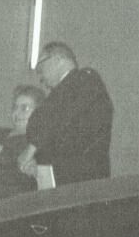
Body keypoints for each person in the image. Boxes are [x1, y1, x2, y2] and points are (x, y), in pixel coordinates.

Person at [21, 40, 113, 186]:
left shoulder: (85, 79)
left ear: (58, 59)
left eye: (40, 66)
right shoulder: (61, 96)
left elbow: (54, 115)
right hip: (61, 182)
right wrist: (36, 162)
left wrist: (32, 148)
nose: (40, 76)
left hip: (83, 182)